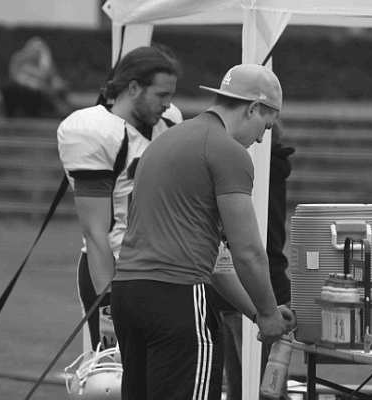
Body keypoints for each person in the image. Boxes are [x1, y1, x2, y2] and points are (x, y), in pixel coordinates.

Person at [110, 64, 297, 400]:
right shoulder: (228, 151)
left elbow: (217, 262)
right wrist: (270, 314)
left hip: (128, 294)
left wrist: (258, 312)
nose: (260, 139)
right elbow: (248, 251)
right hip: (178, 297)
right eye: (265, 126)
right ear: (253, 108)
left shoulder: (166, 141)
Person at [56, 45, 183, 352]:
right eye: (161, 95)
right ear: (133, 88)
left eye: (170, 95)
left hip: (165, 268)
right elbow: (95, 232)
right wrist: (109, 303)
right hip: (117, 269)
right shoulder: (95, 131)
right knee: (113, 373)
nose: (167, 104)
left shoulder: (169, 123)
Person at [216, 120, 295, 400]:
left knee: (263, 390)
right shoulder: (267, 168)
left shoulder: (251, 170)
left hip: (253, 286)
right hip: (242, 286)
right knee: (245, 389)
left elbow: (249, 246)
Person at [0, 36, 73, 119]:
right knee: (44, 90)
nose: (35, 53)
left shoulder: (43, 62)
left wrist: (45, 58)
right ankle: (60, 111)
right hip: (24, 88)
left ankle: (61, 111)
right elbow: (16, 77)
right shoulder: (18, 59)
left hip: (41, 89)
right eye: (33, 50)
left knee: (53, 90)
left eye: (38, 51)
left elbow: (52, 77)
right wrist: (35, 84)